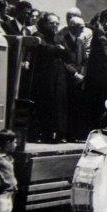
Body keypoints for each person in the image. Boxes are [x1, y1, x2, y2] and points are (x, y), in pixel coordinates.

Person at [31, 13, 69, 142]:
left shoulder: (58, 37)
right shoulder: (38, 35)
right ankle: (44, 134)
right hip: (44, 76)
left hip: (58, 75)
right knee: (44, 104)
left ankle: (58, 133)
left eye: (57, 23)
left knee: (58, 104)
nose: (55, 26)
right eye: (52, 23)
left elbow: (67, 52)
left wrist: (59, 49)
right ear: (45, 23)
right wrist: (57, 49)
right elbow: (43, 48)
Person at [62, 16, 88, 141]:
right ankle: (64, 134)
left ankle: (74, 134)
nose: (83, 30)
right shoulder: (63, 40)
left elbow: (83, 61)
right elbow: (63, 61)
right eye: (80, 27)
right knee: (66, 107)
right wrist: (74, 73)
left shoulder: (80, 41)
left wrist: (81, 74)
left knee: (76, 107)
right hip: (66, 78)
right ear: (72, 27)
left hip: (79, 79)